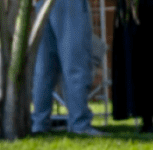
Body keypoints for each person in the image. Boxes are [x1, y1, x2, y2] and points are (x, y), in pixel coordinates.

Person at [31, 0, 104, 136]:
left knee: (44, 68)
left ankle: (39, 124)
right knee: (76, 65)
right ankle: (80, 123)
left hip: (41, 3)